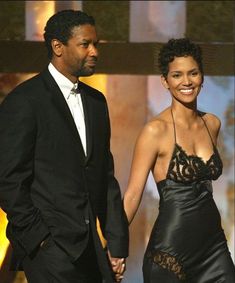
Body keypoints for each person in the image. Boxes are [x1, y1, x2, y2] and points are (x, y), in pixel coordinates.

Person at [0, 10, 128, 283]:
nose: (95, 52)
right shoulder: (25, 100)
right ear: (58, 46)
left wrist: (116, 245)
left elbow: (104, 178)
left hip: (90, 248)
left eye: (96, 44)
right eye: (85, 44)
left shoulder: (96, 102)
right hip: (47, 248)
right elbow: (9, 180)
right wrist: (39, 239)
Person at [123, 38, 235, 282]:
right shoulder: (155, 131)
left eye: (193, 73)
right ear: (165, 81)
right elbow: (132, 195)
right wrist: (115, 248)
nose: (186, 82)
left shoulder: (212, 124)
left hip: (214, 248)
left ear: (202, 77)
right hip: (170, 253)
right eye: (177, 75)